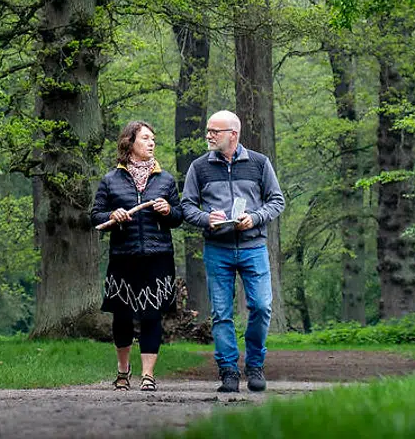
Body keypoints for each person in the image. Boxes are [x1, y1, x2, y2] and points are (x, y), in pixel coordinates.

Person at [181, 109, 286, 394]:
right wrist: (206, 218)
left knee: (262, 306)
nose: (209, 135)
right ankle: (228, 371)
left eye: (214, 131)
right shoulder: (199, 167)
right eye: (208, 130)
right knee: (221, 313)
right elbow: (186, 206)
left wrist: (255, 217)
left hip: (254, 247)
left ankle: (255, 365)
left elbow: (277, 200)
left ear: (233, 135)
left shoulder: (259, 163)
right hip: (218, 249)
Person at [90, 120, 183, 392]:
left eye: (153, 139)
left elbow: (179, 217)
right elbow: (95, 216)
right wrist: (112, 214)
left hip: (158, 256)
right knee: (122, 316)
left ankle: (148, 375)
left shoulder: (165, 180)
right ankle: (123, 371)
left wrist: (168, 210)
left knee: (152, 315)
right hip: (123, 257)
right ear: (129, 143)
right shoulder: (111, 180)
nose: (151, 143)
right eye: (145, 138)